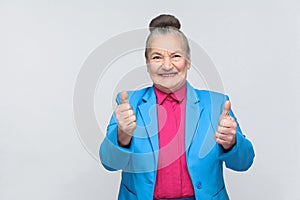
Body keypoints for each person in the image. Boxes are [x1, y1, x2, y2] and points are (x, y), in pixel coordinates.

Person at [100, 14, 255, 200]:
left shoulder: (216, 105)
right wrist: (122, 135)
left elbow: (244, 162)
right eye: (157, 57)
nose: (167, 65)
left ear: (187, 61)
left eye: (175, 56)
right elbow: (109, 163)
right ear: (147, 64)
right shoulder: (129, 104)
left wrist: (231, 143)